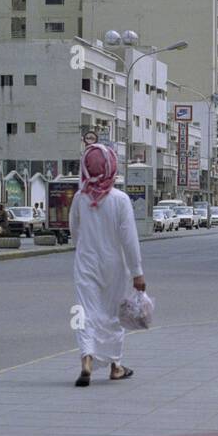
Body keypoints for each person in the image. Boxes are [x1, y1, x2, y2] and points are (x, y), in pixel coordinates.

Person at [70, 142, 145, 387]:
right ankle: (115, 365)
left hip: (85, 263)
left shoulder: (80, 199)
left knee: (84, 312)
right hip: (113, 265)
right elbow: (129, 239)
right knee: (113, 315)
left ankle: (86, 360)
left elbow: (74, 232)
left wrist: (84, 249)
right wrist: (137, 272)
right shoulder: (121, 200)